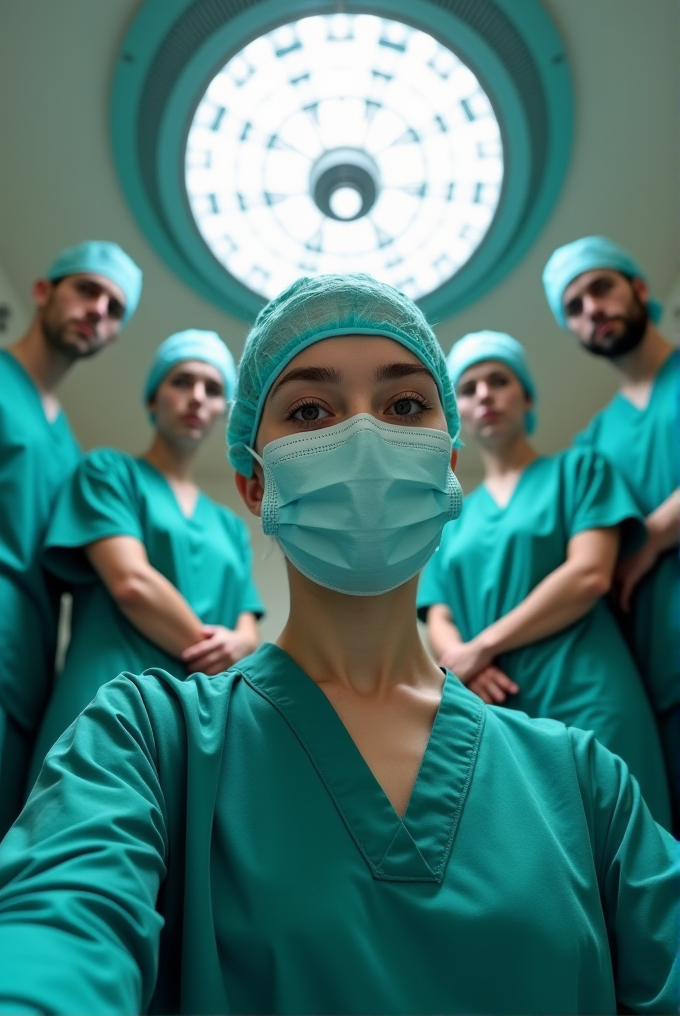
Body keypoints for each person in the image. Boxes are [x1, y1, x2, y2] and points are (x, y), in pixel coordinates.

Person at [0, 276, 677, 1015]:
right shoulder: (143, 742)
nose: (365, 436)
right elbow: (57, 933)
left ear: (448, 466)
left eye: (406, 405)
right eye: (310, 409)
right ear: (254, 484)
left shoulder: (585, 785)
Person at [417, 330, 671, 828]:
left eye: (499, 380)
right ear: (455, 417)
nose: (484, 395)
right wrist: (461, 661)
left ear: (527, 397)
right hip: (500, 712)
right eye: (468, 388)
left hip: (590, 692)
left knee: (634, 858)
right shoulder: (451, 522)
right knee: (541, 872)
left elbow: (590, 574)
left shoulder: (581, 470)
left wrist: (482, 645)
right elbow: (438, 612)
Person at [26, 329, 263, 790]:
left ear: (222, 413)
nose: (197, 397)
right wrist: (217, 654)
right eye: (182, 381)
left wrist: (241, 644)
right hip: (105, 698)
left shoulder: (231, 526)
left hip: (200, 720)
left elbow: (247, 623)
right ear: (153, 398)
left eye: (212, 389)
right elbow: (131, 582)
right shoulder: (108, 472)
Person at [0, 240, 142, 837]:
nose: (98, 311)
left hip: (25, 662)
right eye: (87, 290)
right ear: (42, 290)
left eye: (114, 308)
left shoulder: (74, 452)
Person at [543, 235, 680, 829]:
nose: (591, 309)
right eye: (573, 307)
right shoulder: (592, 446)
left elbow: (633, 543)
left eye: (600, 287)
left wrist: (650, 535)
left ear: (640, 289)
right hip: (659, 666)